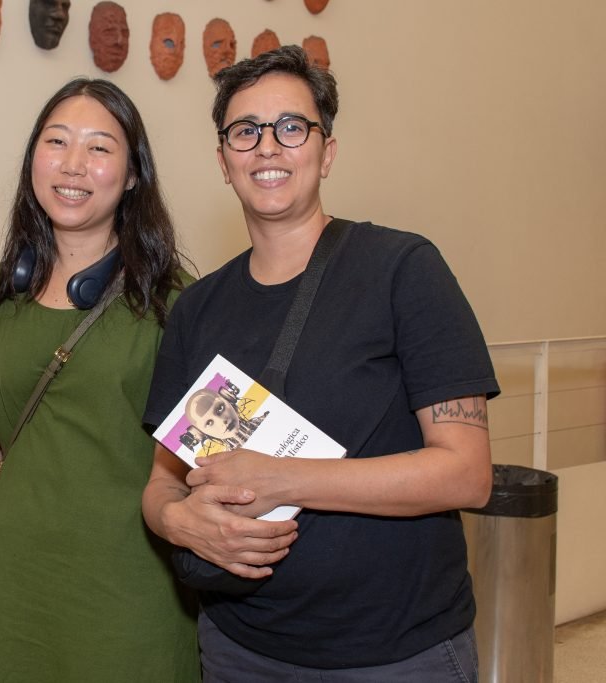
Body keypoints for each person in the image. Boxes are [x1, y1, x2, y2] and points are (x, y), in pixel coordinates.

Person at [142, 45, 499, 681]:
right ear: (223, 161)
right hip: (240, 649)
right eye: (245, 131)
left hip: (397, 653)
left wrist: (282, 479)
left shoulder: (402, 270)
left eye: (291, 127)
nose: (267, 147)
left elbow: (466, 474)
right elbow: (162, 483)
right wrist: (177, 521)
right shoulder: (197, 309)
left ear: (326, 152)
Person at [0, 78, 200, 682]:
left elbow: (208, 459)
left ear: (132, 174)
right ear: (32, 159)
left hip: (132, 585)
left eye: (99, 147)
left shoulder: (176, 302)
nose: (73, 163)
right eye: (57, 141)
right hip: (16, 578)